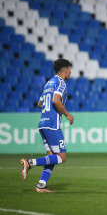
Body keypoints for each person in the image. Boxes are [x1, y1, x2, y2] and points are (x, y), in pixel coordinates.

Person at [20, 59, 74, 193]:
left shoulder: (49, 83)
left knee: (52, 158)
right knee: (62, 157)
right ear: (65, 69)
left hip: (42, 123)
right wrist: (67, 114)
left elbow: (40, 103)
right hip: (52, 124)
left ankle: (41, 186)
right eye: (70, 69)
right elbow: (56, 100)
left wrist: (48, 109)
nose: (71, 72)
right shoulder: (61, 83)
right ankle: (29, 163)